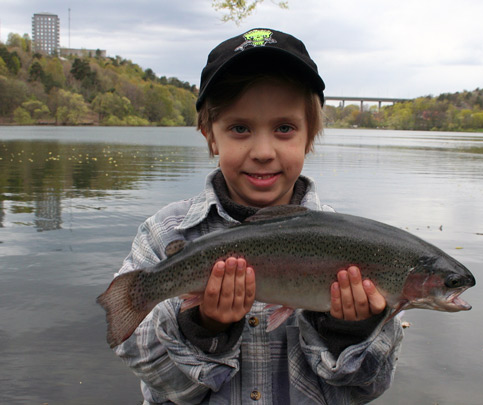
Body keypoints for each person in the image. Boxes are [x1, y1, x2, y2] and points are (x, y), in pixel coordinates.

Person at [113, 28, 403, 404]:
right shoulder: (165, 233)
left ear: (310, 136)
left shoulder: (357, 245)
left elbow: (368, 388)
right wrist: (204, 328)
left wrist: (349, 330)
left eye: (284, 128)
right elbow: (152, 370)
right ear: (209, 135)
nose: (263, 150)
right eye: (240, 128)